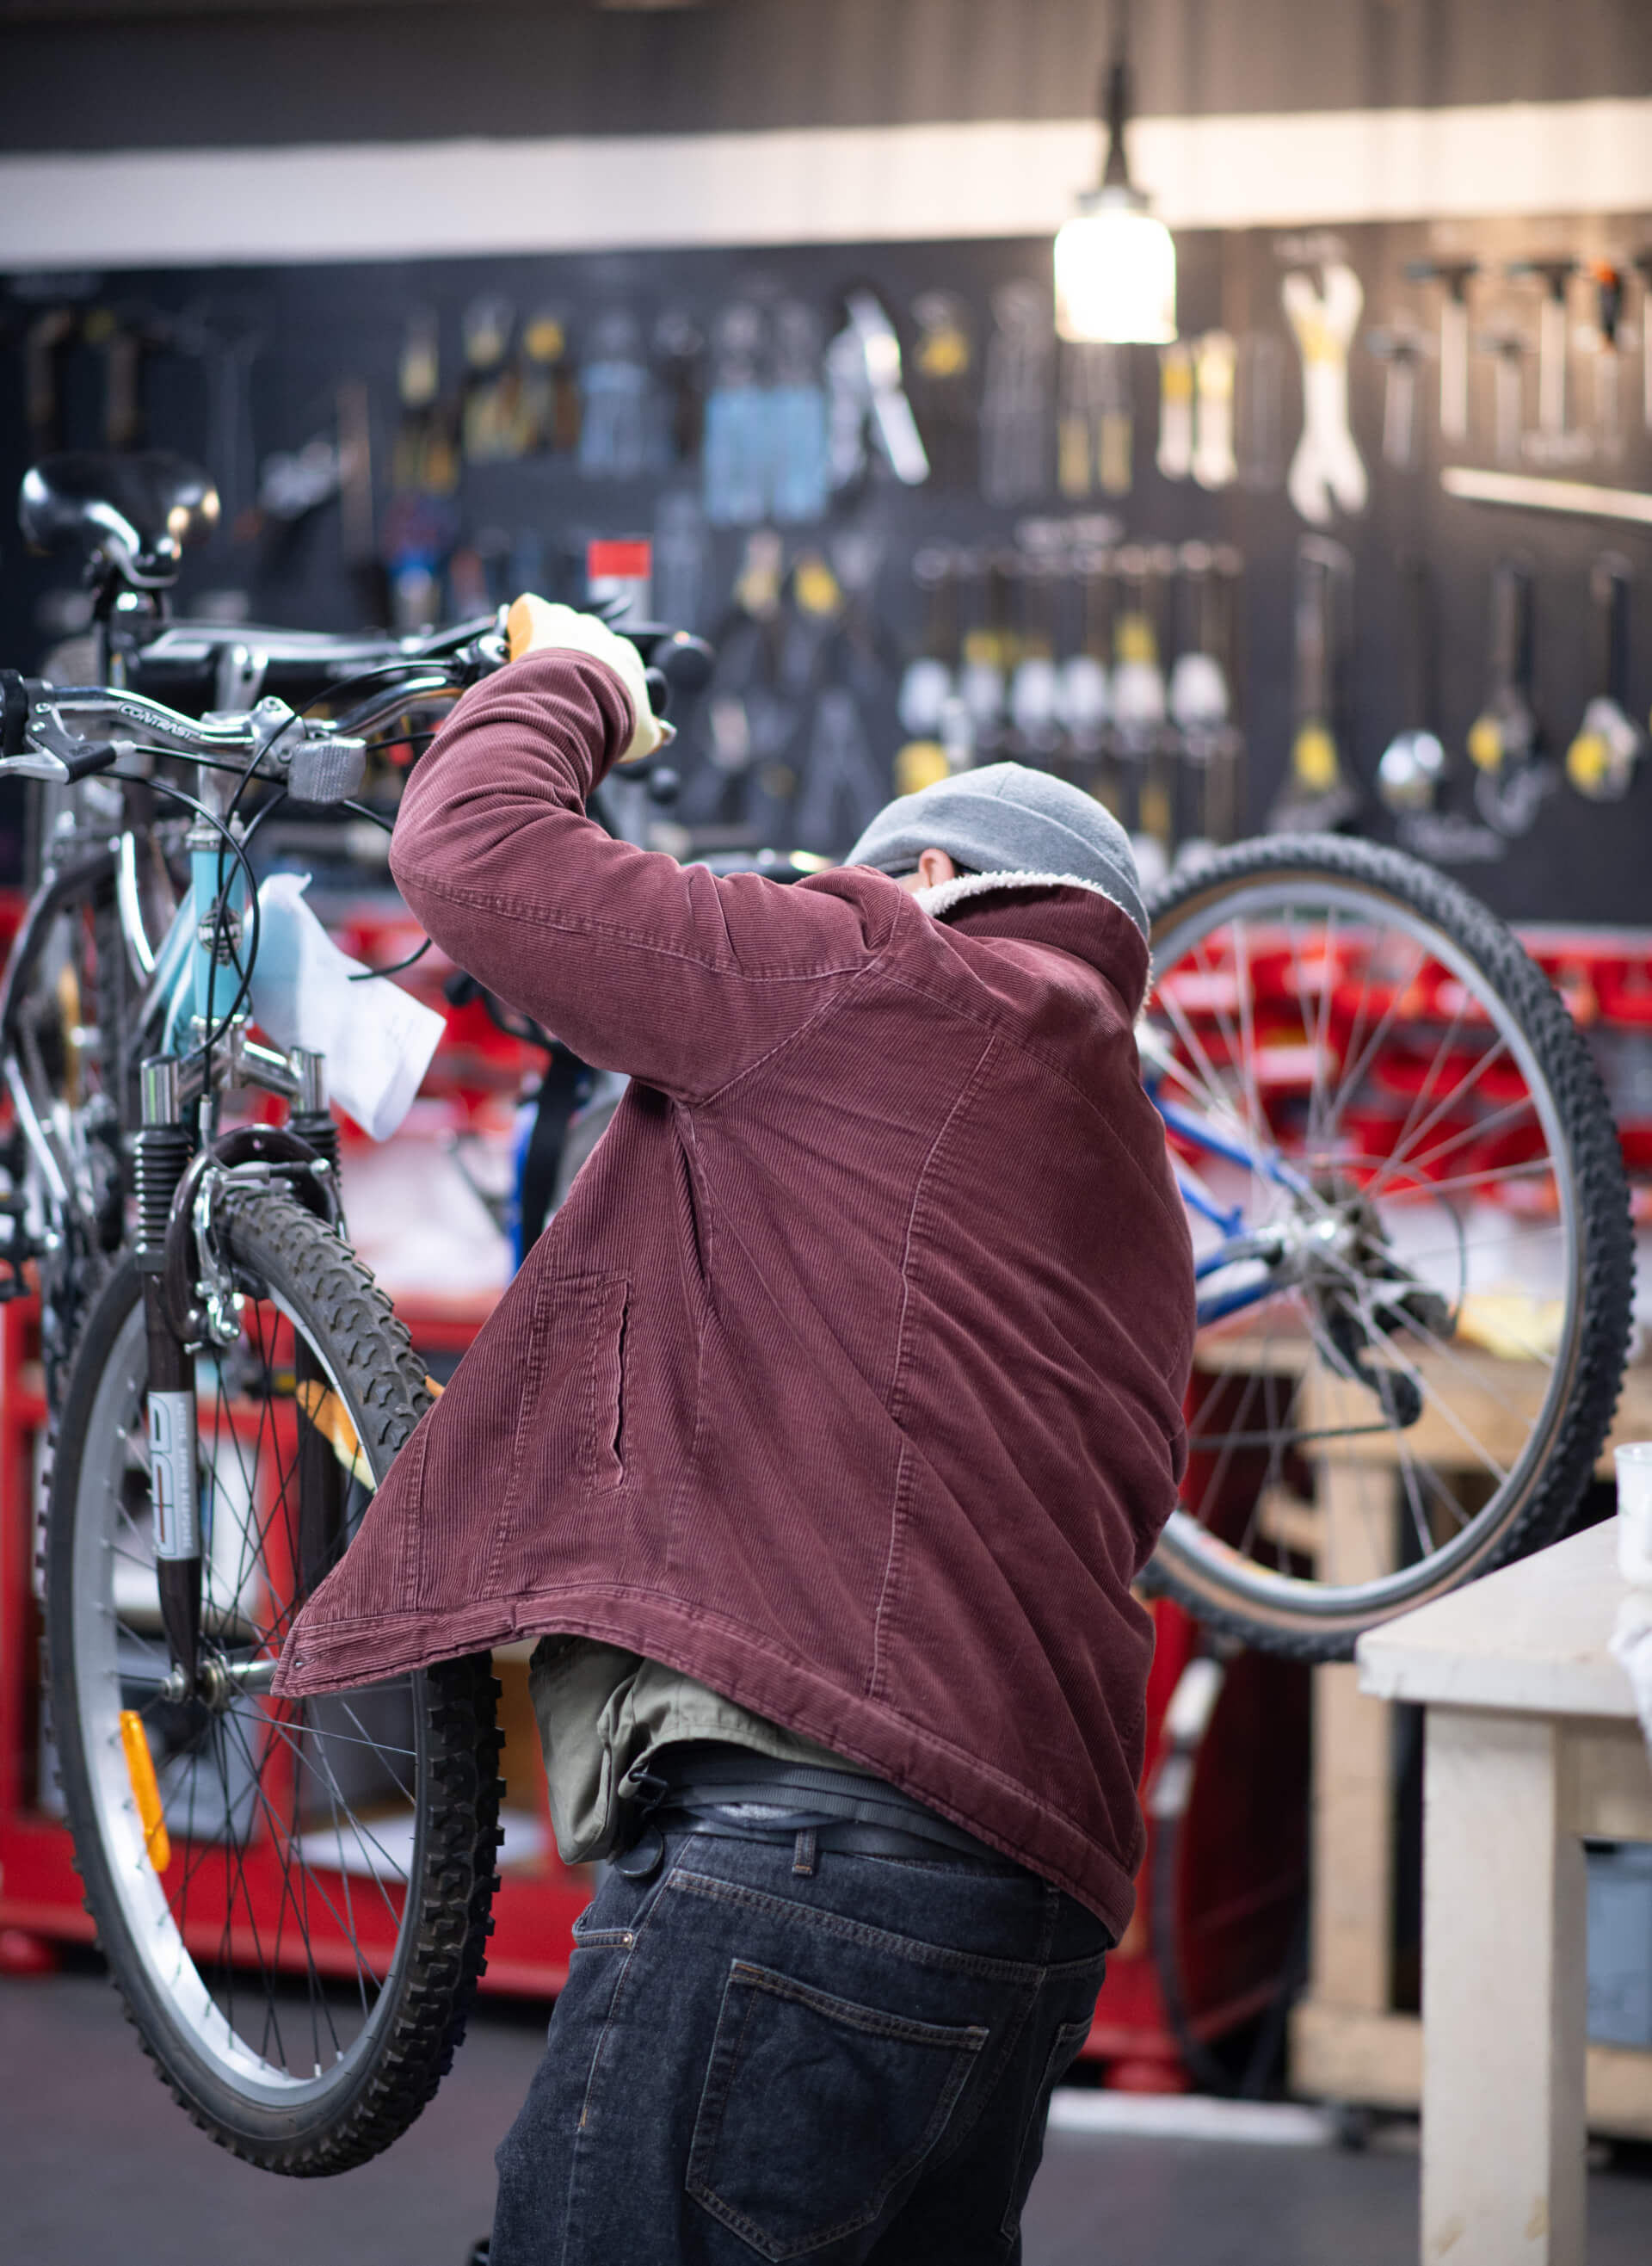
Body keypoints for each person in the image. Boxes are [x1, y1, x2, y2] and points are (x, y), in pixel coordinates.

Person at [274, 599, 1195, 2264]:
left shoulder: (879, 974)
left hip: (814, 1846)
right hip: (1027, 1908)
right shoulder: (1115, 1153)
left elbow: (471, 845)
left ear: (917, 879)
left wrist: (584, 679)